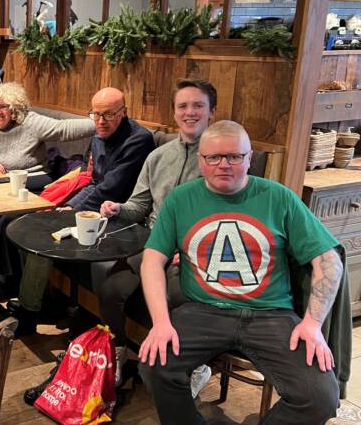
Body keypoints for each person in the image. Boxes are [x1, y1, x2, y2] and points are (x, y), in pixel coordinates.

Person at [140, 120, 342, 425]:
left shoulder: (279, 197)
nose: (224, 164)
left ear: (249, 159)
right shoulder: (180, 198)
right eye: (213, 157)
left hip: (270, 314)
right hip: (202, 310)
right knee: (154, 366)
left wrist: (313, 325)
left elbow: (329, 260)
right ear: (201, 161)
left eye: (234, 156)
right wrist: (160, 322)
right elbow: (152, 260)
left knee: (320, 397)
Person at [98, 78, 216, 386]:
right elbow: (139, 205)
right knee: (111, 288)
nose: (190, 112)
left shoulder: (220, 160)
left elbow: (225, 220)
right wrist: (118, 208)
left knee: (178, 297)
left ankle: (193, 367)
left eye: (198, 106)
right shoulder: (158, 156)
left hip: (192, 252)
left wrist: (192, 250)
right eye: (183, 106)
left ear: (211, 112)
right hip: (153, 243)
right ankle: (119, 351)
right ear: (174, 112)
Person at [10, 87, 154, 336]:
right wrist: (68, 207)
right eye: (96, 114)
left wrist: (71, 211)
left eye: (108, 114)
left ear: (124, 112)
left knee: (45, 240)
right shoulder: (99, 135)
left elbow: (112, 188)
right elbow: (94, 182)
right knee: (32, 228)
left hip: (121, 216)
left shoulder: (139, 140)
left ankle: (29, 314)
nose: (100, 121)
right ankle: (43, 302)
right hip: (96, 208)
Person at [0, 82, 95, 190]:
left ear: (14, 108)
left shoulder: (29, 121)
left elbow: (63, 129)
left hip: (30, 178)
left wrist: (99, 122)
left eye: (4, 106)